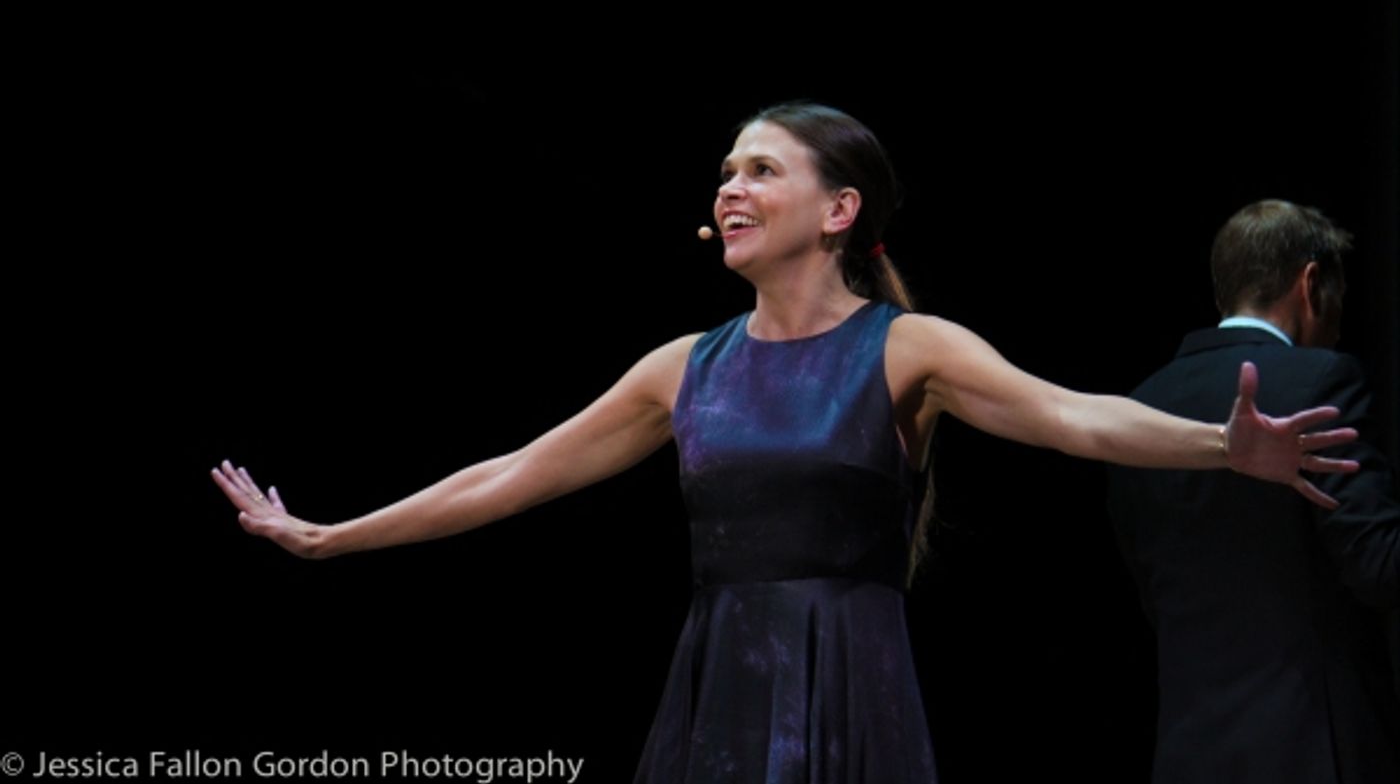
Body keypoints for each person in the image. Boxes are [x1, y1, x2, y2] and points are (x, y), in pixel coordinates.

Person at [213, 105, 1360, 782]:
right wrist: (330, 535)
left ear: (839, 209)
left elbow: (1070, 414)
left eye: (758, 168)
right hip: (715, 682)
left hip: (850, 678)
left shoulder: (908, 349)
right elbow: (512, 471)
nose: (727, 188)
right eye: (722, 173)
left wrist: (1224, 444)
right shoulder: (683, 365)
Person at [1105, 199, 1400, 784]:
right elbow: (1380, 566)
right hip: (1316, 749)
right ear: (1311, 282)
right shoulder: (1321, 380)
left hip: (1190, 752)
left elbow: (1149, 592)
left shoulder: (1135, 408)